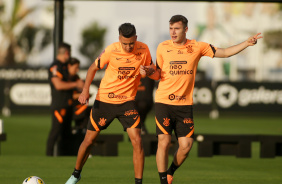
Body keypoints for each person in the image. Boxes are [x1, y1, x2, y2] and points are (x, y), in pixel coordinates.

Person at [140, 15, 262, 184]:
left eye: (176, 28)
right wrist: (148, 72)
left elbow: (225, 53)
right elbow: (158, 74)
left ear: (186, 29)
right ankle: (163, 181)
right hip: (164, 102)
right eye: (170, 28)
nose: (173, 32)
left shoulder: (197, 47)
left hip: (184, 105)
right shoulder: (162, 47)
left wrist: (246, 43)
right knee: (164, 141)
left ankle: (170, 171)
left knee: (186, 147)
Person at [65, 23, 153, 184]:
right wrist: (85, 91)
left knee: (138, 141)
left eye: (131, 43)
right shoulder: (112, 50)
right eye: (125, 43)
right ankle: (76, 174)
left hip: (127, 103)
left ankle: (139, 182)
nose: (128, 47)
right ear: (119, 39)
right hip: (105, 101)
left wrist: (148, 71)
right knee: (89, 141)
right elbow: (92, 68)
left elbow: (154, 72)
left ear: (136, 39)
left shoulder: (144, 49)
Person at [46, 43, 84, 156]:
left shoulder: (66, 67)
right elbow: (58, 85)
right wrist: (75, 84)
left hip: (68, 104)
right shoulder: (55, 66)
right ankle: (48, 156)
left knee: (66, 133)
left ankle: (65, 156)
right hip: (59, 105)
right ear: (66, 53)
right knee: (55, 132)